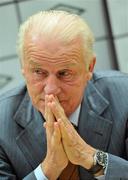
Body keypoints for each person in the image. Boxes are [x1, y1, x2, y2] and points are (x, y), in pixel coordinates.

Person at [0, 10, 128, 180]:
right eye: (39, 72)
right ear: (23, 67)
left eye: (64, 73)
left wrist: (90, 157)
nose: (51, 89)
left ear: (89, 67)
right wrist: (47, 170)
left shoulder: (124, 96)